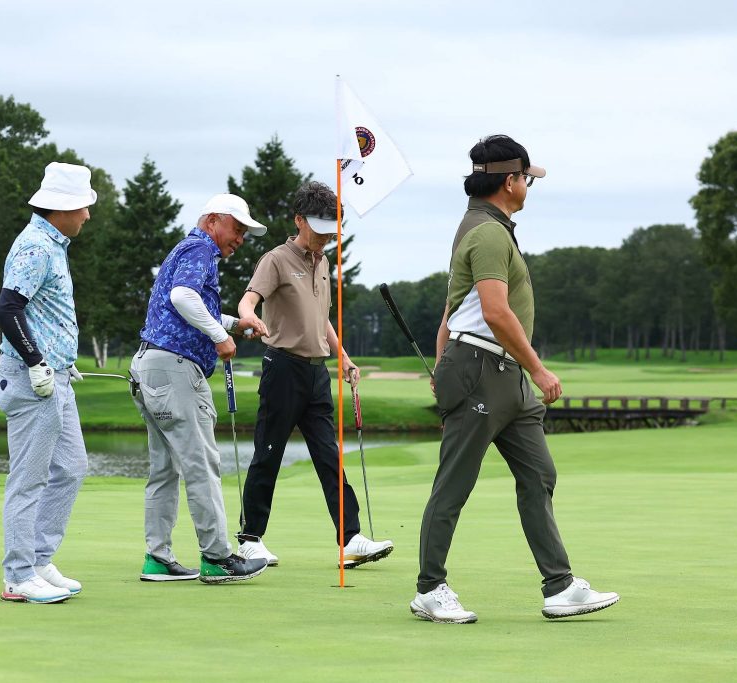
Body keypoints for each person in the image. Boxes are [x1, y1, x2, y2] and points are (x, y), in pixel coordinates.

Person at [410, 135, 619, 623]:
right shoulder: (487, 233)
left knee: (539, 474)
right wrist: (538, 368)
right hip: (481, 369)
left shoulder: (490, 229)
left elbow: (449, 312)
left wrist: (442, 365)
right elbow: (494, 311)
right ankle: (430, 588)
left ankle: (560, 586)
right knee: (454, 484)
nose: (528, 185)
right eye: (526, 177)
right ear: (510, 181)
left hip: (503, 376)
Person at [234, 181, 394, 568]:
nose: (326, 237)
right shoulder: (275, 259)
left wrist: (344, 358)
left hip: (316, 373)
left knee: (329, 455)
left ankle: (350, 539)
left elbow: (321, 319)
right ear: (299, 220)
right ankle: (249, 539)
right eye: (320, 229)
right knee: (268, 453)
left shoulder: (322, 263)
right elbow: (249, 299)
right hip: (282, 368)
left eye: (331, 230)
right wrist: (248, 316)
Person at [131, 193, 271, 584]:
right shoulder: (201, 248)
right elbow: (182, 297)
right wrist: (218, 336)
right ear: (212, 221)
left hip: (150, 366)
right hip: (175, 371)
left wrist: (233, 325)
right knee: (201, 464)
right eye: (236, 229)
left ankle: (158, 558)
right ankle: (217, 557)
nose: (240, 239)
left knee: (164, 469)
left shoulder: (184, 249)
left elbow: (185, 305)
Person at [0, 162, 96, 604]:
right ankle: (18, 574)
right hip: (33, 380)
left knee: (71, 467)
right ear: (62, 208)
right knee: (29, 479)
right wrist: (36, 360)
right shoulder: (36, 246)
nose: (87, 215)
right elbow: (7, 307)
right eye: (83, 207)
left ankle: (38, 560)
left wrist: (61, 360)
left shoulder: (54, 245)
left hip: (57, 379)